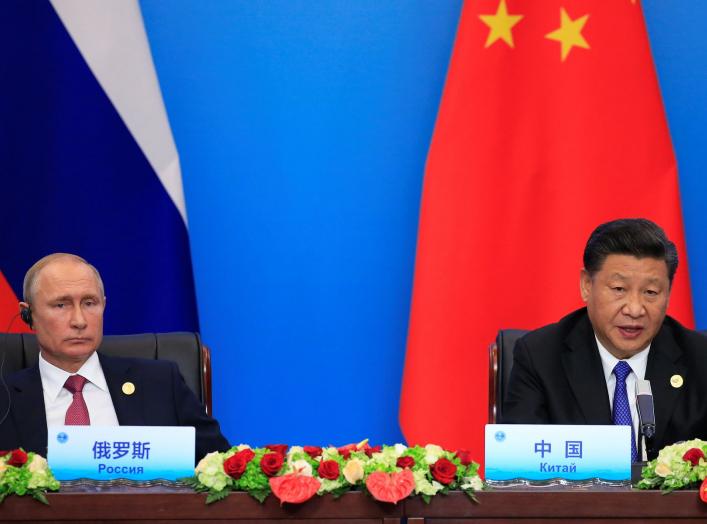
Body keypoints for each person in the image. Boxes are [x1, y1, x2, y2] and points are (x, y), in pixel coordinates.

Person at [502, 218, 707, 460]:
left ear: (669, 294)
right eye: (619, 289)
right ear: (587, 285)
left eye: (651, 292)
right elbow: (520, 466)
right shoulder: (540, 356)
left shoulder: (700, 359)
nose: (635, 309)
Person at [0, 253, 230, 461]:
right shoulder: (5, 399)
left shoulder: (160, 383)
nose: (79, 321)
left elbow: (222, 467)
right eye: (61, 305)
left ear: (104, 306)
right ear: (28, 314)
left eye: (90, 303)